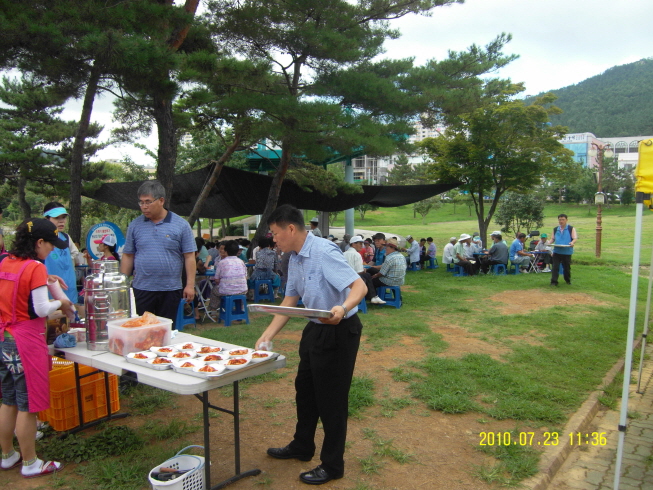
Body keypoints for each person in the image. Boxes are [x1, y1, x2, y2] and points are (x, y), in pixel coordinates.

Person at [256, 205, 366, 486]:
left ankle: (332, 465)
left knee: (331, 400)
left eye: (276, 233)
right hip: (314, 328)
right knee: (305, 392)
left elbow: (359, 287)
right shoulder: (294, 258)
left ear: (291, 229)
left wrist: (341, 308)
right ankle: (302, 446)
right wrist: (267, 335)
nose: (274, 239)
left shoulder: (323, 252)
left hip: (339, 330)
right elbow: (290, 300)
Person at [0, 218, 75, 478]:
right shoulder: (35, 267)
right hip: (25, 343)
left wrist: (46, 279)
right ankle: (31, 462)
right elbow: (42, 309)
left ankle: (8, 455)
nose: (53, 250)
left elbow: (14, 287)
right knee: (28, 406)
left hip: (4, 339)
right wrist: (61, 304)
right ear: (38, 243)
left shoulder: (5, 260)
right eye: (50, 245)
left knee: (8, 400)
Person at [120, 180, 196, 325]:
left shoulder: (181, 225)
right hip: (142, 288)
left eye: (148, 202)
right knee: (141, 329)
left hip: (170, 289)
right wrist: (123, 286)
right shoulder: (135, 225)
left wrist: (190, 285)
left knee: (166, 330)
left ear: (161, 200)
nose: (144, 207)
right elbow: (128, 255)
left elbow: (189, 256)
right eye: (141, 202)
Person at [42, 203, 80, 305]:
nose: (61, 221)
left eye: (63, 217)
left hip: (69, 288)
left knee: (71, 316)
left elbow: (75, 254)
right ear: (46, 219)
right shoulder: (40, 239)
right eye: (57, 218)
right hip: (50, 291)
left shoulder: (65, 237)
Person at [344, 236, 385, 304]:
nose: (362, 246)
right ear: (354, 244)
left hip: (345, 277)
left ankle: (373, 296)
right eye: (360, 243)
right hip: (353, 278)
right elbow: (359, 271)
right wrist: (364, 270)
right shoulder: (356, 254)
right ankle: (373, 296)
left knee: (368, 273)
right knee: (367, 275)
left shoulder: (344, 253)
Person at [209, 240, 248, 310]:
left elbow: (217, 280)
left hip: (226, 290)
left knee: (214, 291)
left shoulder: (221, 262)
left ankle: (213, 311)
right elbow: (245, 277)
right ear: (237, 251)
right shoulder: (241, 262)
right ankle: (241, 310)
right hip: (243, 290)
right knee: (238, 294)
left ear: (226, 251)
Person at [550, 214, 577, 286]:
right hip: (557, 251)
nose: (561, 221)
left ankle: (567, 280)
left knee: (566, 268)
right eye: (560, 220)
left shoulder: (571, 229)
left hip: (567, 251)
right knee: (555, 267)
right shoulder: (555, 229)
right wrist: (548, 243)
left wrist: (572, 242)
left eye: (563, 220)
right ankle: (554, 282)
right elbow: (553, 239)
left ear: (566, 220)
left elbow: (574, 238)